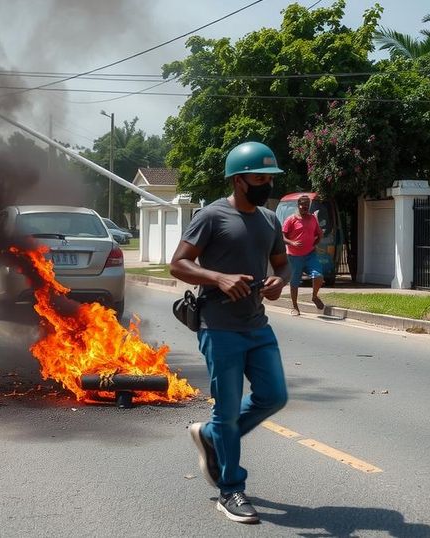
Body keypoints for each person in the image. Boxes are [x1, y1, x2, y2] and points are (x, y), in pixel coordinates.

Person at [170, 141, 291, 524]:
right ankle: (231, 490)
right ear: (239, 180)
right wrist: (217, 277)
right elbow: (178, 264)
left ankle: (210, 435)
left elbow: (282, 264)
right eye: (259, 177)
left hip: (257, 324)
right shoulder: (211, 217)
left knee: (274, 396)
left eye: (269, 177)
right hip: (219, 326)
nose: (266, 184)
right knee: (227, 409)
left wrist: (279, 281)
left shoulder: (270, 220)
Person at [282, 194, 325, 316]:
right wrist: (292, 242)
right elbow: (282, 236)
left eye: (307, 206)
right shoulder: (291, 219)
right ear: (298, 205)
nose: (304, 208)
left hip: (310, 254)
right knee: (295, 282)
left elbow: (318, 234)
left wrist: (316, 242)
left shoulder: (312, 219)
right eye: (302, 205)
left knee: (318, 276)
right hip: (294, 256)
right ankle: (295, 307)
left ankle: (314, 296)